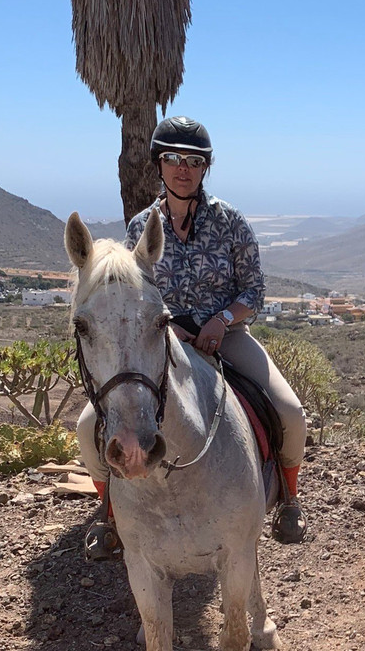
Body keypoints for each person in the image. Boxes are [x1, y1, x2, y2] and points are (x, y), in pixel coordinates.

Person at [78, 116, 308, 555]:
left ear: (206, 168)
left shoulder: (231, 221)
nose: (183, 168)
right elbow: (133, 297)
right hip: (164, 342)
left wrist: (221, 320)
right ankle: (108, 512)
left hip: (226, 336)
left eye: (194, 161)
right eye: (173, 158)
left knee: (290, 411)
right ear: (159, 164)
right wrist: (170, 327)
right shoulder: (140, 228)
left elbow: (254, 290)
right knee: (88, 425)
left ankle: (289, 499)